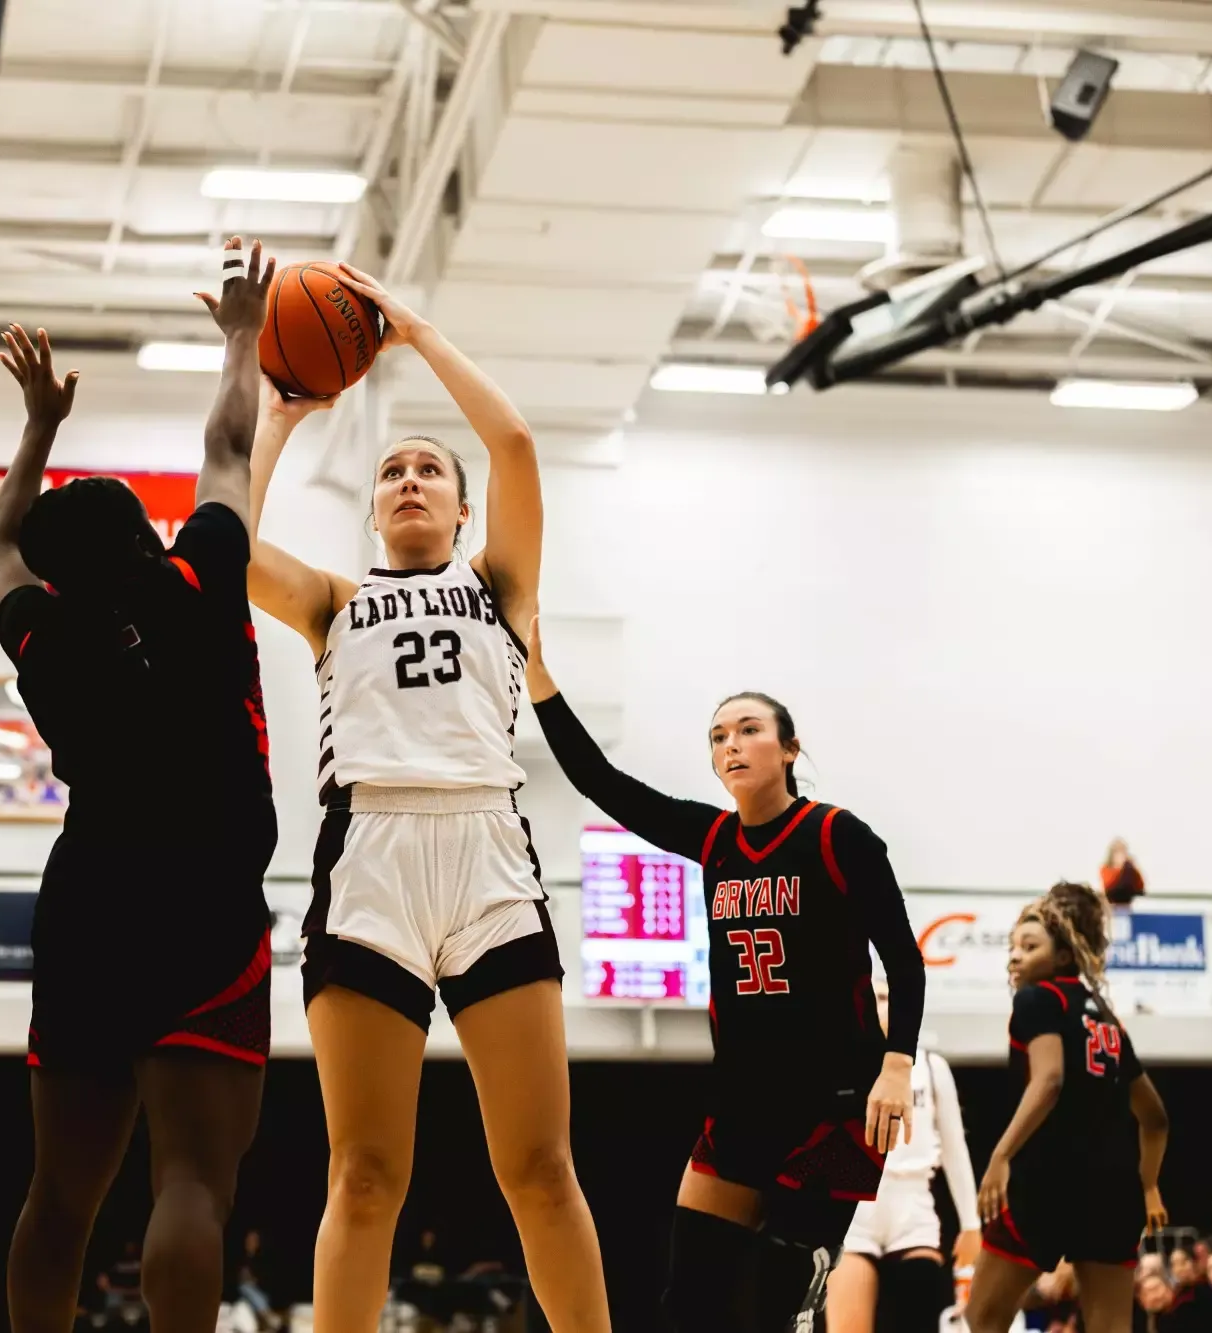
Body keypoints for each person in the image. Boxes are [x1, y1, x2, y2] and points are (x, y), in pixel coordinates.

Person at [245, 265, 608, 1332]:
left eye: (427, 471)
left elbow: (517, 448)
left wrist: (417, 335)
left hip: (489, 853)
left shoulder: (499, 586)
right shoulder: (330, 599)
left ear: (456, 506)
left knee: (540, 1168)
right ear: (370, 509)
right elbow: (220, 550)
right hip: (371, 860)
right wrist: (279, 416)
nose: (408, 479)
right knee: (362, 1177)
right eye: (392, 469)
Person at [0, 239, 279, 1333]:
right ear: (148, 538)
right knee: (192, 1183)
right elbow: (226, 442)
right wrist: (243, 335)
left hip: (86, 912)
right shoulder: (201, 577)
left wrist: (38, 424)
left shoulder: (47, 640)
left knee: (58, 1199)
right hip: (203, 906)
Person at [522, 628, 924, 1333]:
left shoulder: (837, 836)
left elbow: (904, 957)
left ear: (789, 749)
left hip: (832, 1103)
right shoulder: (713, 840)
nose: (731, 744)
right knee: (690, 1304)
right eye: (717, 736)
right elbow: (600, 781)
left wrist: (897, 1063)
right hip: (742, 1103)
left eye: (749, 729)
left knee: (778, 1301)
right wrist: (540, 680)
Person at [968, 883, 1172, 1333]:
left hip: (1045, 1183)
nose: (1015, 957)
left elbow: (1050, 1079)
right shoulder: (1105, 1016)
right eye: (1013, 947)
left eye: (1029, 945)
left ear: (1063, 951)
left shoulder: (1038, 999)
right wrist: (1149, 1185)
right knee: (1112, 1327)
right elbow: (1155, 1117)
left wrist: (1000, 1155)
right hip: (1114, 1190)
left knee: (983, 1316)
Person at [827, 978, 981, 1333]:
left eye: (887, 996)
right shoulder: (840, 1064)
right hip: (854, 1211)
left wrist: (971, 1224)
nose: (881, 1004)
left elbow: (957, 1150)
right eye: (874, 997)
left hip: (913, 1210)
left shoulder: (930, 1066)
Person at [1101, 839, 1144, 906]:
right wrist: (1120, 868)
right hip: (1113, 904)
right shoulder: (1105, 868)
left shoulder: (1129, 868)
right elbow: (1109, 885)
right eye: (1118, 851)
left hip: (1129, 903)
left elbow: (1140, 886)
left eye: (1123, 851)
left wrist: (1133, 867)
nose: (1122, 854)